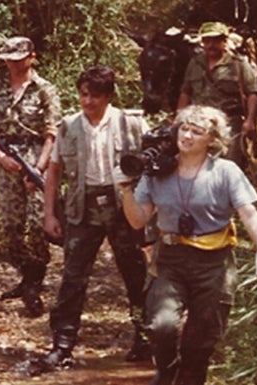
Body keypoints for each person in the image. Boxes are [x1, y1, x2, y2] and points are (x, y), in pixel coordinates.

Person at [117, 105, 257, 385]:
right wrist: (127, 190)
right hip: (171, 258)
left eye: (197, 131)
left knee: (200, 341)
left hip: (213, 261)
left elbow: (249, 213)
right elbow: (138, 220)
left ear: (212, 140)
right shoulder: (158, 171)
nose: (187, 135)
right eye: (184, 128)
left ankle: (190, 378)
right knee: (161, 325)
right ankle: (166, 371)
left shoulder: (225, 171)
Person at [42, 65, 151, 368]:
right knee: (73, 278)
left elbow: (154, 168)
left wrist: (153, 211)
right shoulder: (68, 125)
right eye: (83, 94)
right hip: (82, 206)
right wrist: (50, 214)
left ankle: (146, 339)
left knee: (135, 274)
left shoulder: (131, 124)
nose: (88, 101)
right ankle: (62, 345)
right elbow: (54, 172)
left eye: (95, 95)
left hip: (124, 206)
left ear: (109, 96)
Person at [0, 36, 61, 317]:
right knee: (12, 226)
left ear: (31, 57)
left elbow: (52, 133)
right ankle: (26, 275)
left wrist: (38, 167)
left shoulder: (44, 90)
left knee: (38, 223)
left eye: (18, 59)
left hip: (37, 158)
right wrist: (0, 157)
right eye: (8, 60)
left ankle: (35, 282)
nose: (12, 65)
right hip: (7, 158)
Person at [176, 21, 257, 170]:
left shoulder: (238, 64)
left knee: (230, 164)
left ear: (224, 41)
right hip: (199, 124)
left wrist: (250, 120)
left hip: (229, 123)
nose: (211, 45)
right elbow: (186, 91)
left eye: (216, 40)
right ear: (202, 42)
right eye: (207, 41)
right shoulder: (195, 63)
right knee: (197, 163)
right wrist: (179, 118)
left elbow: (252, 93)